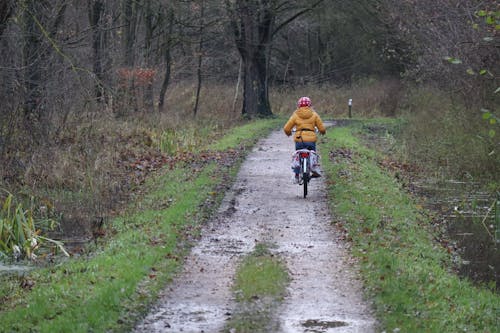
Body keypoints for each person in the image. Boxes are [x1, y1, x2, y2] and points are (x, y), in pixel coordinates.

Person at [283, 96, 326, 182]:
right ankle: (314, 168)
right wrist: (322, 132)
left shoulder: (295, 115)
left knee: (297, 156)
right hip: (311, 140)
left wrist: (289, 133)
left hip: (300, 140)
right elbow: (322, 129)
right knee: (313, 154)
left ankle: (296, 174)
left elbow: (286, 128)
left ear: (299, 105)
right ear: (310, 105)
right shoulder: (314, 115)